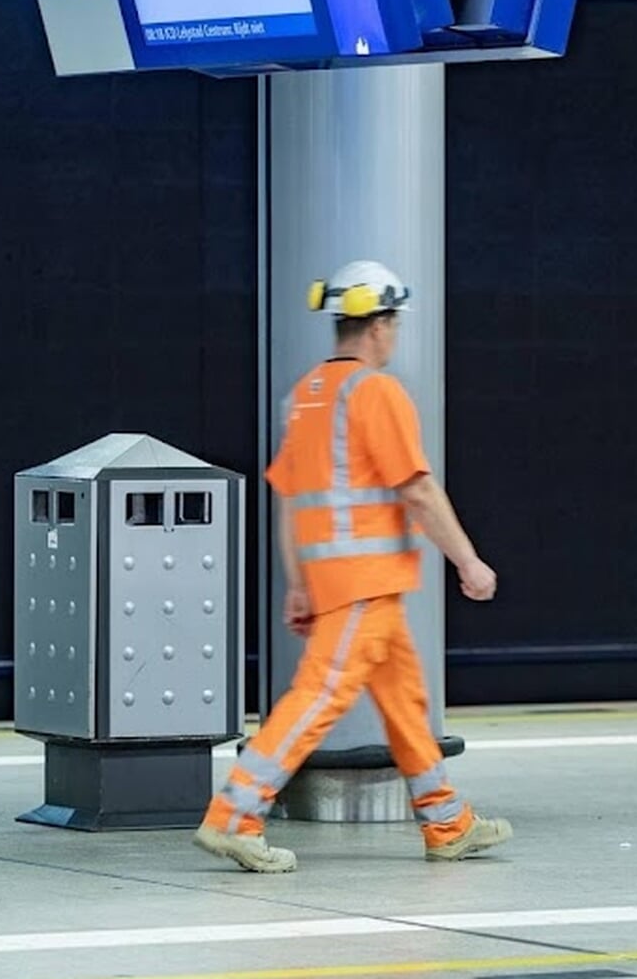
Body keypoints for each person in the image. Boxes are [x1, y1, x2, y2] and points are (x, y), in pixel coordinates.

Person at [193, 260, 510, 873]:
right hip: (364, 583)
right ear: (380, 325)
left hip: (353, 585)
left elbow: (289, 496)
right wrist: (467, 560)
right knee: (317, 700)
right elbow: (416, 490)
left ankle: (446, 823)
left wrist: (297, 583)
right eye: (394, 324)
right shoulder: (375, 392)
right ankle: (234, 814)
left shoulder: (304, 396)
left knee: (405, 705)